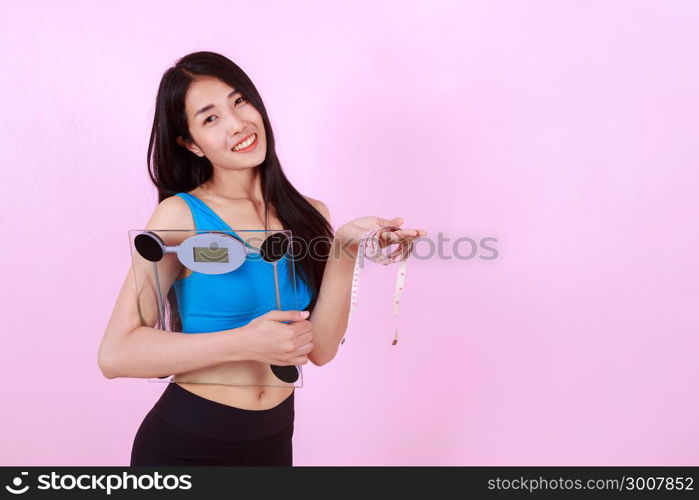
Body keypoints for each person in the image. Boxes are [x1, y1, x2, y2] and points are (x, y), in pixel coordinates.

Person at [98, 51, 427, 466]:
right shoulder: (180, 217)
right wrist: (245, 342)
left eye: (239, 101)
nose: (237, 124)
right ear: (191, 144)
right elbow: (115, 354)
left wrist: (346, 247)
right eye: (210, 118)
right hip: (188, 443)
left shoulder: (309, 214)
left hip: (273, 440)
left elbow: (321, 348)